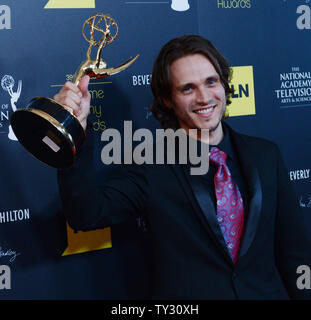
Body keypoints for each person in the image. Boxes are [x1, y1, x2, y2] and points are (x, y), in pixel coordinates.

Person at [56, 35, 311, 299]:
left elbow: (295, 254)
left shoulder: (265, 155)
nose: (204, 98)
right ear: (167, 99)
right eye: (187, 89)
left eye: (211, 82)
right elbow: (85, 215)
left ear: (224, 83)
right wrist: (73, 130)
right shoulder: (149, 163)